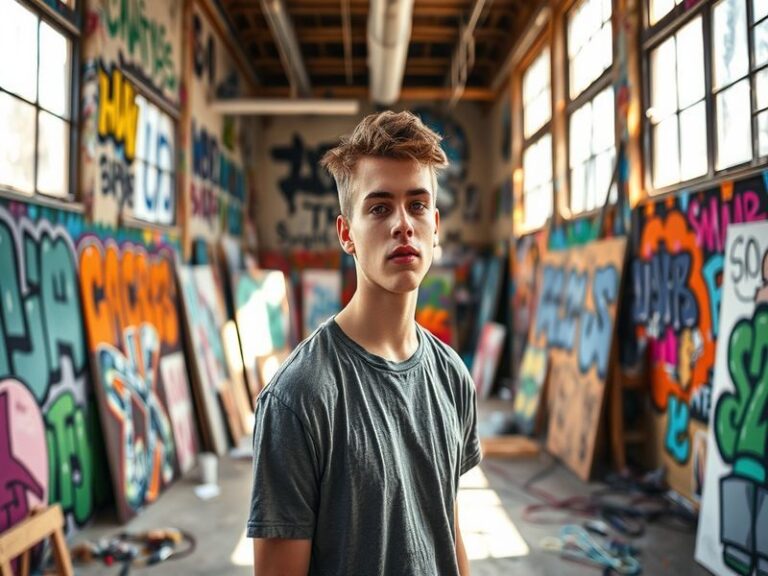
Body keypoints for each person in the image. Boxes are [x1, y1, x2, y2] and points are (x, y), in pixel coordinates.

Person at [247, 110, 481, 576]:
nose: (402, 224)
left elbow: (444, 524)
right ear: (346, 234)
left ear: (435, 225)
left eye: (417, 205)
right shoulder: (298, 398)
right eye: (379, 207)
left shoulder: (452, 375)